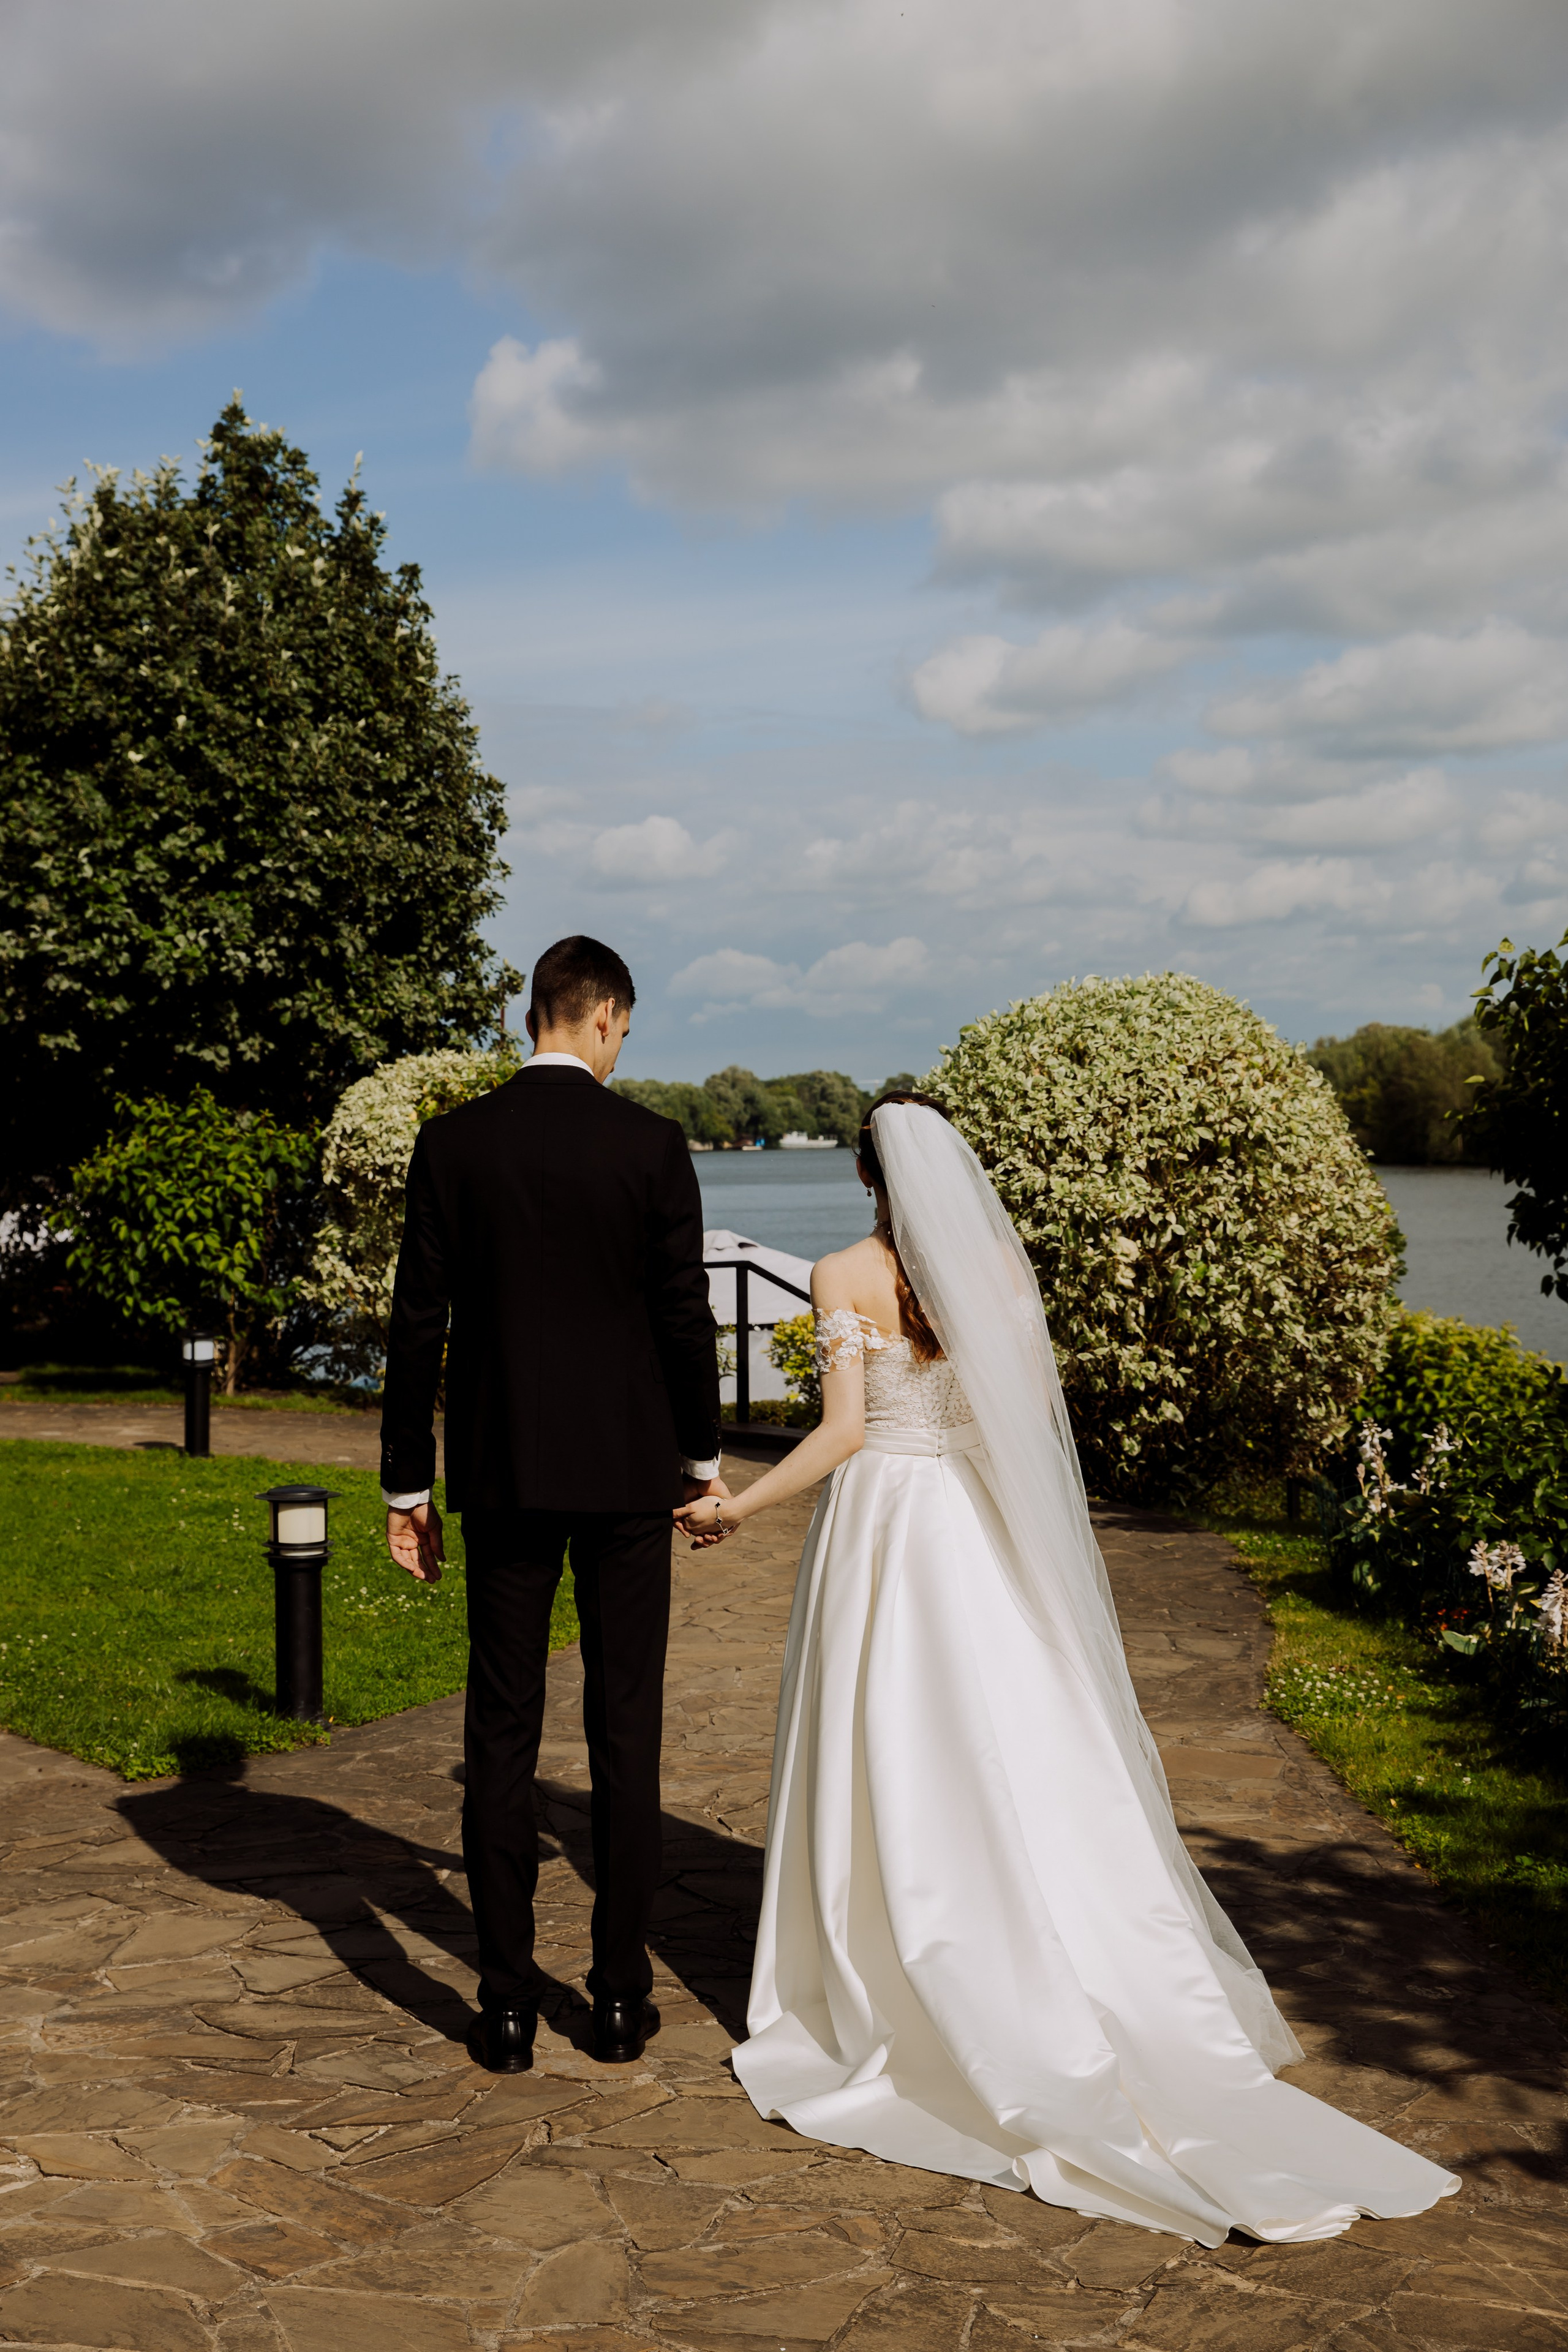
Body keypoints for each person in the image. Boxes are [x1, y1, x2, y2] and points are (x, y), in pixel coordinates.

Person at [675, 1093, 1458, 2244]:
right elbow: (1027, 1412)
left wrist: (738, 1506)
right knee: (1012, 1733)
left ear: (865, 1177)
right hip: (971, 1520)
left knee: (884, 1733)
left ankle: (898, 1947)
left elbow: (846, 1432)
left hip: (888, 1523)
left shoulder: (844, 1273)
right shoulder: (997, 1267)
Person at [379, 935, 726, 2074]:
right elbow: (687, 1322)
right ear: (605, 1016)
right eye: (625, 1030)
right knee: (626, 1730)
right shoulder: (651, 1146)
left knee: (501, 1730)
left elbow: (415, 1326)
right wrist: (702, 1460)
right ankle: (620, 2001)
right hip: (628, 1479)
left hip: (505, 1474)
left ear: (539, 1014)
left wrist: (406, 1485)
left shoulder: (454, 1143)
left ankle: (509, 2006)